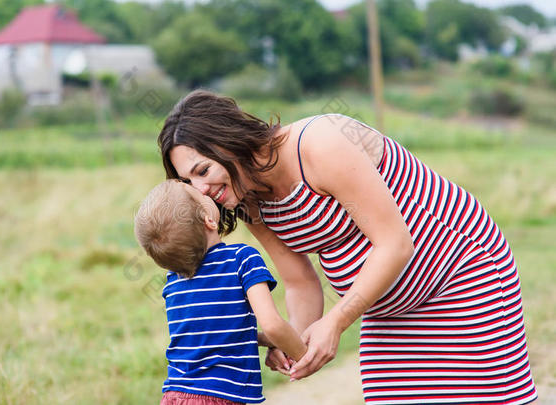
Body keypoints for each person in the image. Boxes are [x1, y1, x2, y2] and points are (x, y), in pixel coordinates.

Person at [156, 89, 538, 404]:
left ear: (229, 142)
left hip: (464, 277)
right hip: (385, 309)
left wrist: (336, 322)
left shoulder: (318, 146)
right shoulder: (249, 198)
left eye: (203, 170)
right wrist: (295, 338)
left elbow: (394, 244)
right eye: (190, 183)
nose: (202, 191)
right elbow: (300, 281)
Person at [134, 179, 307, 404]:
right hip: (222, 397)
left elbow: (218, 335)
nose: (206, 193)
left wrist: (267, 342)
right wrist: (302, 353)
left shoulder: (174, 281)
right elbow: (272, 324)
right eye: (200, 196)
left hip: (175, 395)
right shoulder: (241, 259)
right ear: (209, 221)